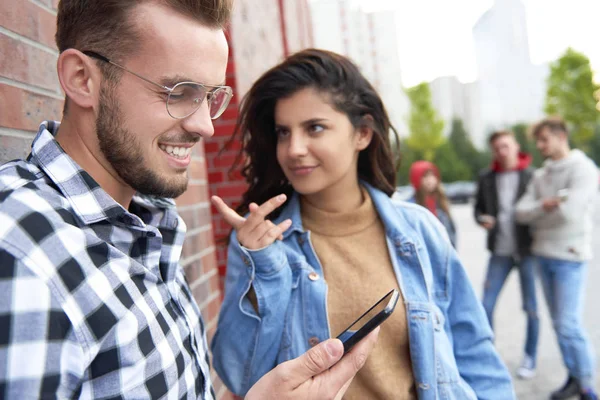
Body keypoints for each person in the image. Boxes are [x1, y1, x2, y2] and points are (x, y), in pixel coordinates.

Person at [0, 1, 380, 399]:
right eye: (180, 92)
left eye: (211, 96)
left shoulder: (148, 225)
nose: (206, 126)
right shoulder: (21, 250)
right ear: (82, 79)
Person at [210, 48, 515, 399]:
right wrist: (263, 269)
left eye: (315, 128)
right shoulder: (262, 243)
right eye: (283, 132)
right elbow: (239, 377)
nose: (294, 149)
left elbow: (474, 350)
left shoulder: (419, 229)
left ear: (362, 134)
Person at [516, 117, 598, 400]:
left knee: (569, 324)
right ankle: (573, 377)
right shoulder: (541, 175)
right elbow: (521, 212)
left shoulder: (584, 169)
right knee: (558, 324)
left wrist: (548, 209)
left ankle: (588, 385)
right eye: (537, 140)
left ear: (561, 136)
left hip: (570, 256)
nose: (539, 146)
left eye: (544, 139)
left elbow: (571, 212)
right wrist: (546, 205)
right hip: (543, 254)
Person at [474, 130, 539, 380]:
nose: (501, 151)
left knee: (531, 308)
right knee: (485, 306)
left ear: (516, 146)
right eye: (497, 148)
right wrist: (482, 219)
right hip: (499, 252)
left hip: (527, 252)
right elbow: (478, 209)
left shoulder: (532, 176)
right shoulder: (487, 177)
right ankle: (487, 356)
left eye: (505, 146)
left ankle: (530, 357)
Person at [408, 160, 457, 247]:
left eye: (432, 175)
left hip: (445, 252)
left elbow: (451, 230)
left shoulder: (441, 200)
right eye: (425, 176)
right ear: (416, 178)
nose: (430, 180)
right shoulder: (411, 206)